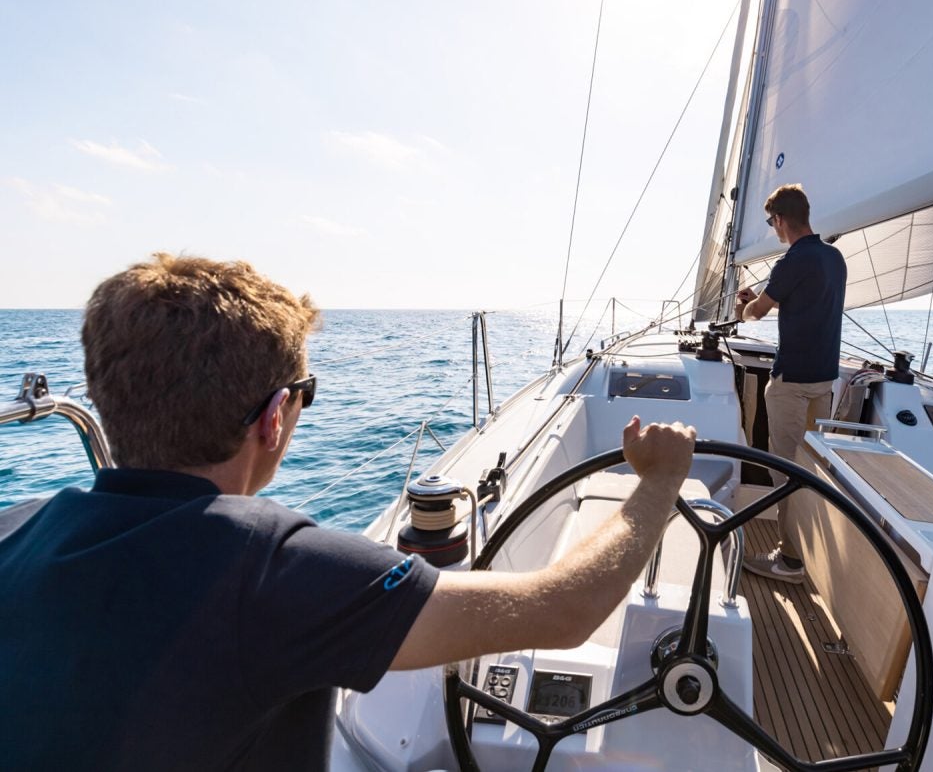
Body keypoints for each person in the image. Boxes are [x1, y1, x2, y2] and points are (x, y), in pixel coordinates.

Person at [0, 253, 695, 771]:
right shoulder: (273, 573)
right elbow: (565, 610)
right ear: (276, 418)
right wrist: (659, 481)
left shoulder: (21, 527)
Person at [734, 184, 847, 583]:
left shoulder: (790, 262)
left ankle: (791, 561)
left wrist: (743, 304)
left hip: (791, 383)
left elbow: (755, 313)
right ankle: (812, 553)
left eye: (772, 222)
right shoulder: (834, 259)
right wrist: (768, 297)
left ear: (781, 219)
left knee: (785, 473)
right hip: (824, 383)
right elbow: (803, 298)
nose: (773, 229)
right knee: (812, 472)